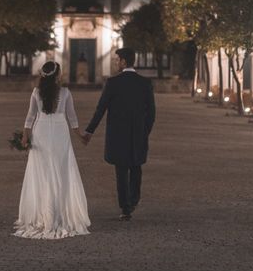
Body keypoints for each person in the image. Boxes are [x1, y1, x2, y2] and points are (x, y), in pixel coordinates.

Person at [14, 61, 91, 239]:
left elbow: (30, 117)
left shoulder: (36, 92)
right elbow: (72, 117)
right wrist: (80, 136)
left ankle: (43, 211)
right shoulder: (65, 93)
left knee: (42, 173)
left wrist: (25, 136)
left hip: (40, 131)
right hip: (59, 133)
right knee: (61, 171)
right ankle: (59, 211)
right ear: (57, 75)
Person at [83, 47, 155, 221]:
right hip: (138, 134)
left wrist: (90, 130)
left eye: (117, 60)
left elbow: (101, 108)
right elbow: (151, 113)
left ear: (124, 62)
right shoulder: (145, 83)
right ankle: (134, 199)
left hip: (118, 135)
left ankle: (125, 208)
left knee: (121, 171)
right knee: (136, 167)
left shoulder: (113, 83)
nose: (116, 63)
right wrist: (144, 132)